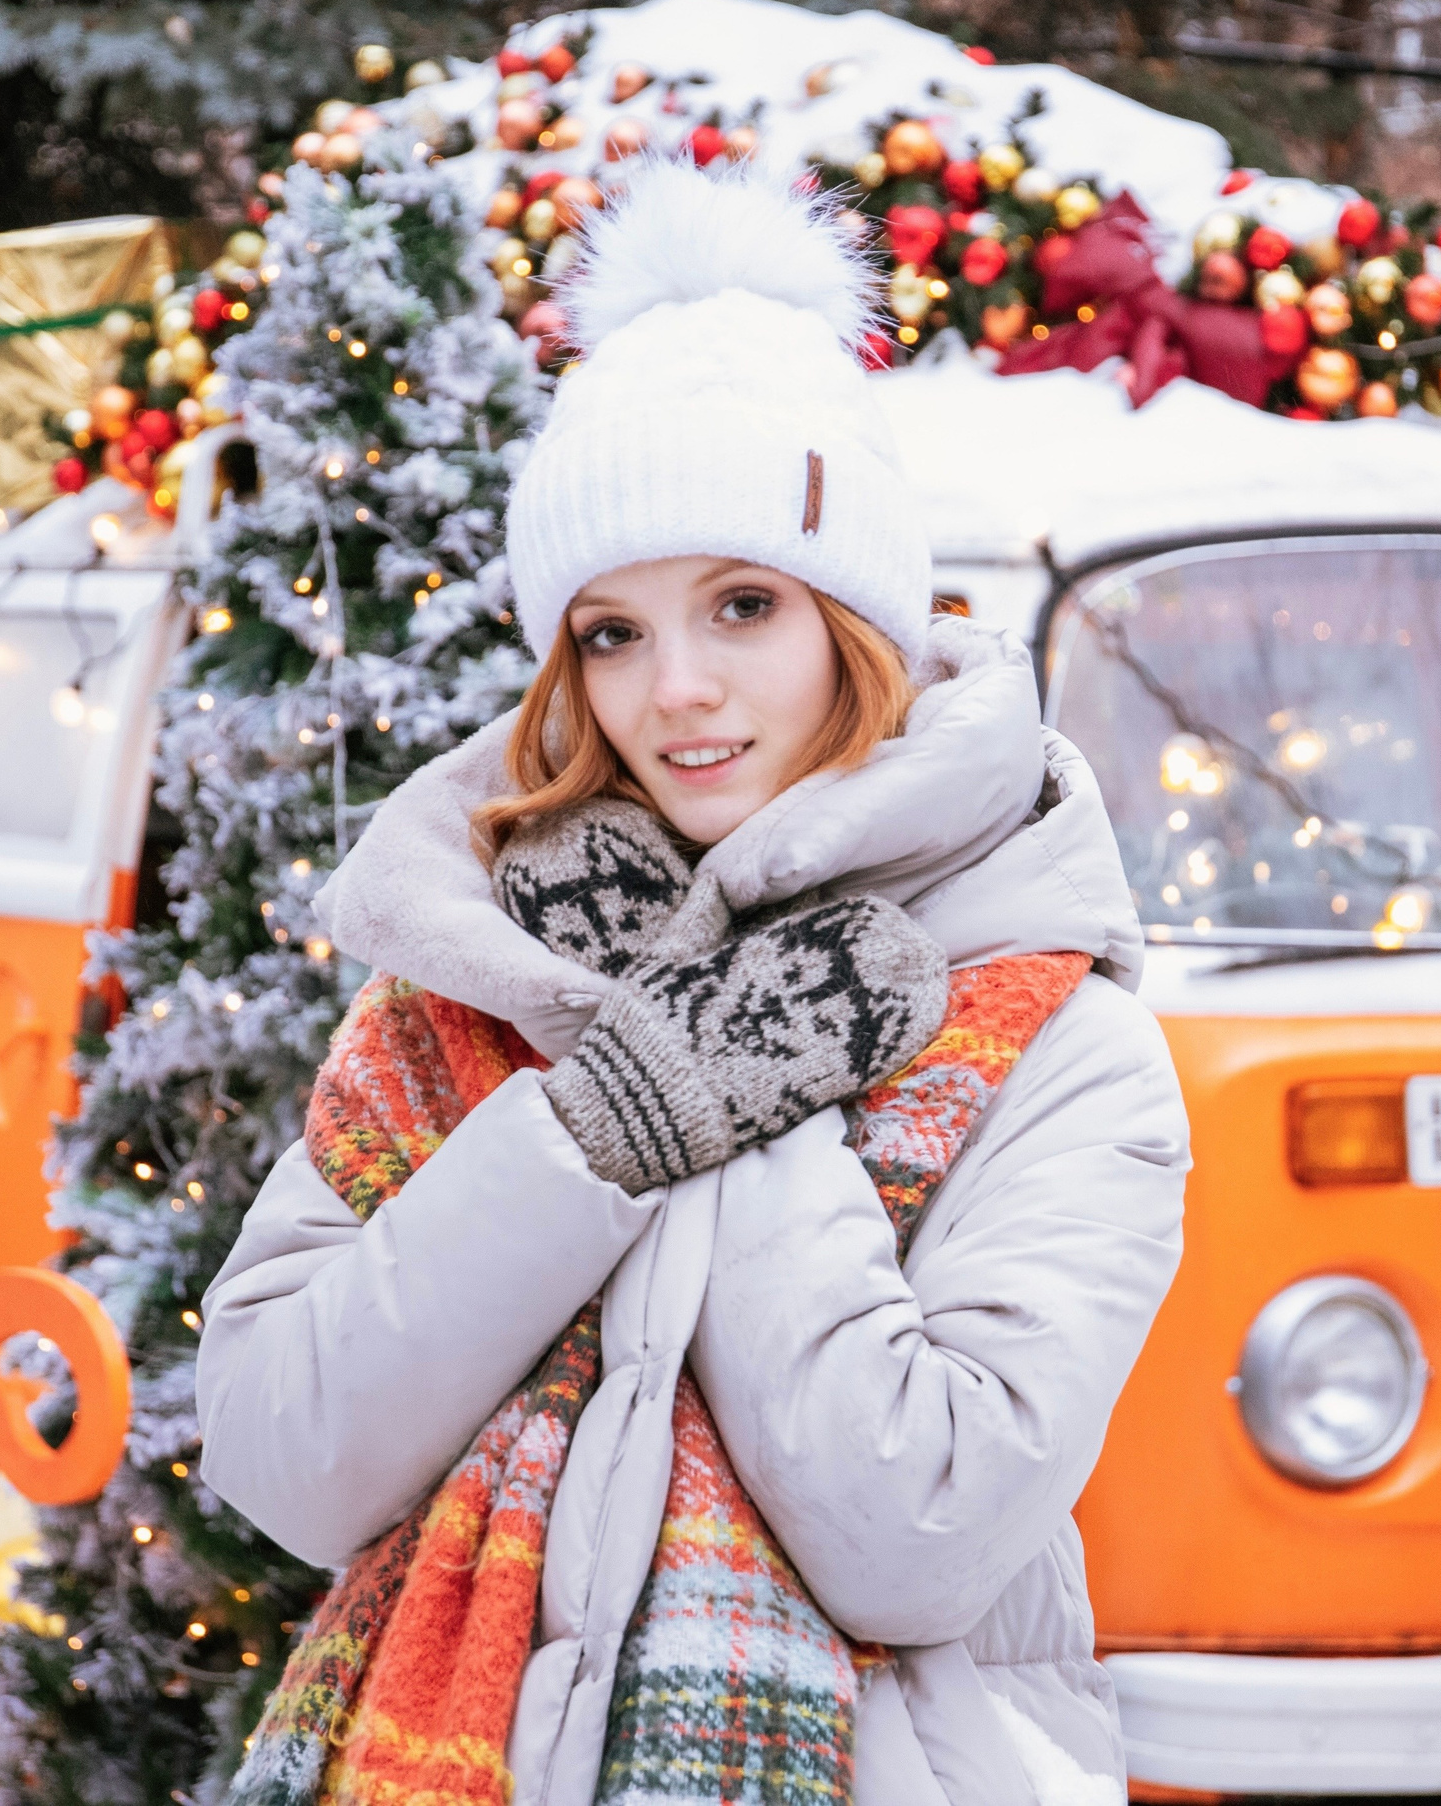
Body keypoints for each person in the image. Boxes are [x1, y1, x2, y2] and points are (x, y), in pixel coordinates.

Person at [195, 158, 1191, 1806]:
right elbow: (284, 1453)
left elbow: (917, 1532)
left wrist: (750, 1096)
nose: (681, 692)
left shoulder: (1057, 1040)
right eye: (613, 633)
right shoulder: (480, 972)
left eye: (743, 606)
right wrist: (596, 1125)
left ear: (857, 628)